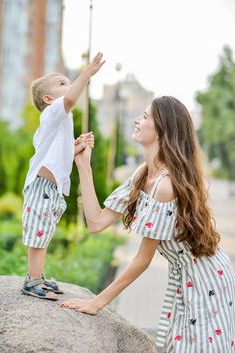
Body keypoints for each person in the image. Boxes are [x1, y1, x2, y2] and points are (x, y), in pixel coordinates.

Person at [61, 96, 235, 352]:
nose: (136, 120)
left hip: (207, 279)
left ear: (162, 130)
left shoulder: (165, 186)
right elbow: (96, 223)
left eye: (144, 116)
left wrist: (97, 303)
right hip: (185, 277)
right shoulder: (143, 173)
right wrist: (83, 165)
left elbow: (142, 260)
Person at [21, 52, 105, 300]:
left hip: (52, 189)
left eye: (68, 81)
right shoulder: (53, 113)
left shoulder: (60, 122)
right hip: (42, 187)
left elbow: (59, 157)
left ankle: (38, 276)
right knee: (38, 234)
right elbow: (69, 99)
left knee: (43, 233)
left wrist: (76, 149)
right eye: (62, 83)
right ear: (48, 99)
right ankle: (33, 280)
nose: (69, 86)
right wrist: (86, 74)